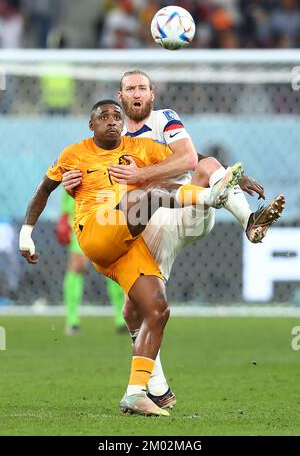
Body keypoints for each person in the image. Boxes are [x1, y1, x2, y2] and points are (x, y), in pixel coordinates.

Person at [62, 70, 285, 411]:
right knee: (140, 308)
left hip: (179, 210)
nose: (136, 93)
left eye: (142, 88)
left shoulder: (165, 120)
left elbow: (188, 159)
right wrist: (72, 182)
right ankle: (156, 387)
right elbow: (89, 168)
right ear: (120, 96)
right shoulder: (113, 134)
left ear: (152, 94)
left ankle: (251, 222)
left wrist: (145, 176)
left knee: (208, 164)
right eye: (130, 88)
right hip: (146, 226)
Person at [19, 100, 248, 417]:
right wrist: (26, 233)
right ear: (91, 124)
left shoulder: (140, 147)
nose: (112, 121)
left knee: (157, 309)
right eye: (103, 116)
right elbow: (44, 189)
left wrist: (225, 175)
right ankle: (211, 198)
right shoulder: (74, 153)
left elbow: (188, 163)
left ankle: (136, 392)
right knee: (144, 196)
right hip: (97, 231)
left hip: (127, 244)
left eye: (116, 116)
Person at [55, 190, 126, 334]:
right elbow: (67, 178)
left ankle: (121, 318)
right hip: (81, 215)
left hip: (107, 215)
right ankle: (72, 320)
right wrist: (64, 214)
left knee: (112, 264)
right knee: (78, 265)